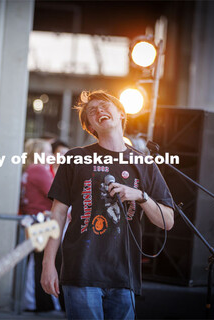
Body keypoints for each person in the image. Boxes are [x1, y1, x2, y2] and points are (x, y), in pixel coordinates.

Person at [41, 90, 175, 320]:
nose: (99, 111)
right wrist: (48, 264)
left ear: (121, 113)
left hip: (124, 275)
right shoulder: (75, 158)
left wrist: (140, 195)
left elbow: (168, 221)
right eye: (92, 112)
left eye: (104, 106)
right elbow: (58, 214)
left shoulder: (144, 164)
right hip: (81, 271)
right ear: (90, 127)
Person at [19, 138, 63, 312]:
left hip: (35, 221)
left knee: (39, 263)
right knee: (45, 263)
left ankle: (41, 303)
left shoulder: (31, 169)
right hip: (41, 222)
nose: (51, 155)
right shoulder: (38, 169)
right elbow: (56, 193)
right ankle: (41, 304)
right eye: (47, 151)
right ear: (38, 154)